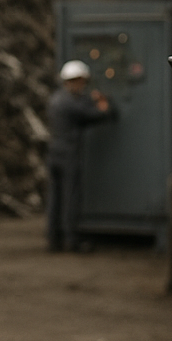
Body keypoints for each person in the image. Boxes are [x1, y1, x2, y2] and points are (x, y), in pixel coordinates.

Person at [46, 60, 113, 253]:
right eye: (81, 82)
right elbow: (95, 115)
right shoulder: (70, 103)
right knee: (70, 197)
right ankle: (71, 239)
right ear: (74, 81)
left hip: (54, 153)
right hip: (68, 155)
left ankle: (53, 239)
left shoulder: (56, 99)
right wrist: (103, 105)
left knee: (55, 198)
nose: (82, 86)